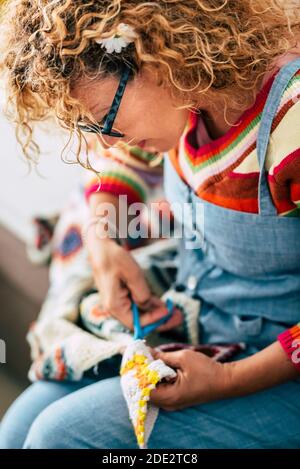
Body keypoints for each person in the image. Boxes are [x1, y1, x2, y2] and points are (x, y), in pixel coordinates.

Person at [0, 0, 300, 449]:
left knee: (56, 436)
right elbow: (122, 159)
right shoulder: (193, 95)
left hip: (276, 362)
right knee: (19, 427)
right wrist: (102, 240)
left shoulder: (288, 125)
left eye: (104, 117)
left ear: (157, 55)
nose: (103, 138)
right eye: (89, 125)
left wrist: (228, 379)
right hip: (215, 326)